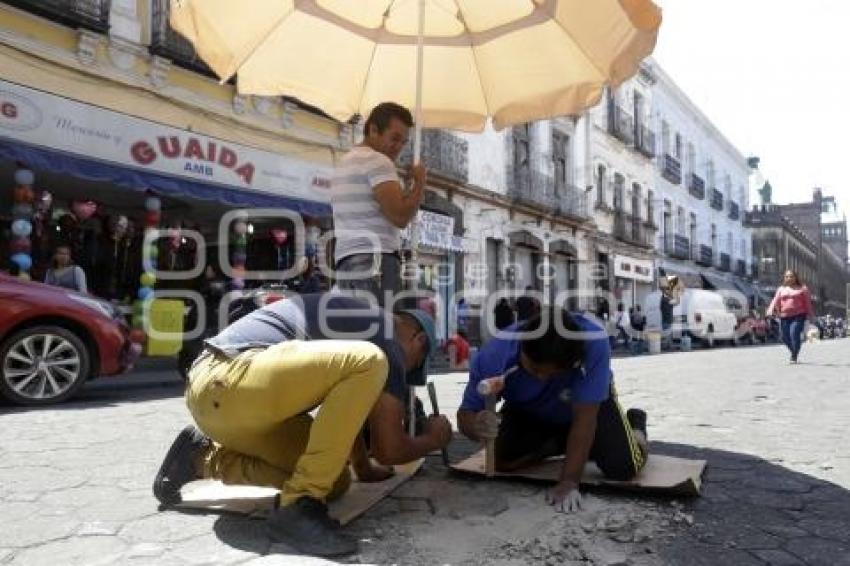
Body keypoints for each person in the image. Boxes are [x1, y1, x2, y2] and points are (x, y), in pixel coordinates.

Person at [152, 293, 451, 557]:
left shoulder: (361, 326)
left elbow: (346, 413)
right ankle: (297, 507)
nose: (403, 372)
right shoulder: (385, 341)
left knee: (334, 483)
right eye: (413, 366)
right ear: (418, 340)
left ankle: (202, 458)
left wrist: (362, 467)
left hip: (224, 403)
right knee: (370, 361)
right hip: (229, 375)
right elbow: (389, 450)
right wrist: (435, 438)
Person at [457, 308, 648, 514]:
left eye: (551, 374)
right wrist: (477, 426)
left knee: (623, 466)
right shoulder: (495, 354)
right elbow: (465, 415)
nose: (540, 379)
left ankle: (636, 427)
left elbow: (585, 419)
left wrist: (569, 481)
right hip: (529, 409)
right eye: (534, 370)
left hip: (589, 407)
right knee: (501, 459)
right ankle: (566, 442)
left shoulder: (594, 343)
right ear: (522, 347)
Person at [332, 102, 426, 307]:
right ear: (373, 129)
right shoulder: (378, 161)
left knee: (358, 332)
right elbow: (400, 216)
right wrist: (420, 183)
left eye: (403, 142)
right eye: (394, 138)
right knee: (383, 332)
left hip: (347, 261)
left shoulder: (344, 162)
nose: (399, 147)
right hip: (376, 260)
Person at [766, 270, 815, 363]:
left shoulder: (803, 288)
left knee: (794, 334)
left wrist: (811, 315)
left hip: (798, 316)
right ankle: (794, 351)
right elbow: (775, 300)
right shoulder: (781, 289)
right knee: (784, 337)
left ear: (796, 277)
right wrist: (770, 310)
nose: (789, 278)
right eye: (787, 276)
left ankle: (794, 356)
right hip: (784, 316)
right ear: (784, 278)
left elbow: (808, 303)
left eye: (791, 276)